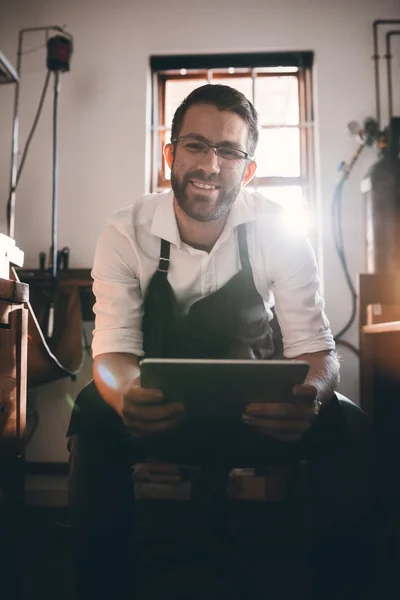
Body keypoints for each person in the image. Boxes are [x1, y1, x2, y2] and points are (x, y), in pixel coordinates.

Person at [67, 84, 375, 599]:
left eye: (229, 151)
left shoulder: (281, 231)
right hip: (157, 415)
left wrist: (314, 396)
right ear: (170, 154)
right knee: (91, 415)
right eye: (195, 145)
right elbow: (112, 350)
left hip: (261, 418)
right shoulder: (126, 232)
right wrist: (123, 397)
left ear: (248, 168)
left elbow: (315, 348)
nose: (210, 164)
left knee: (351, 425)